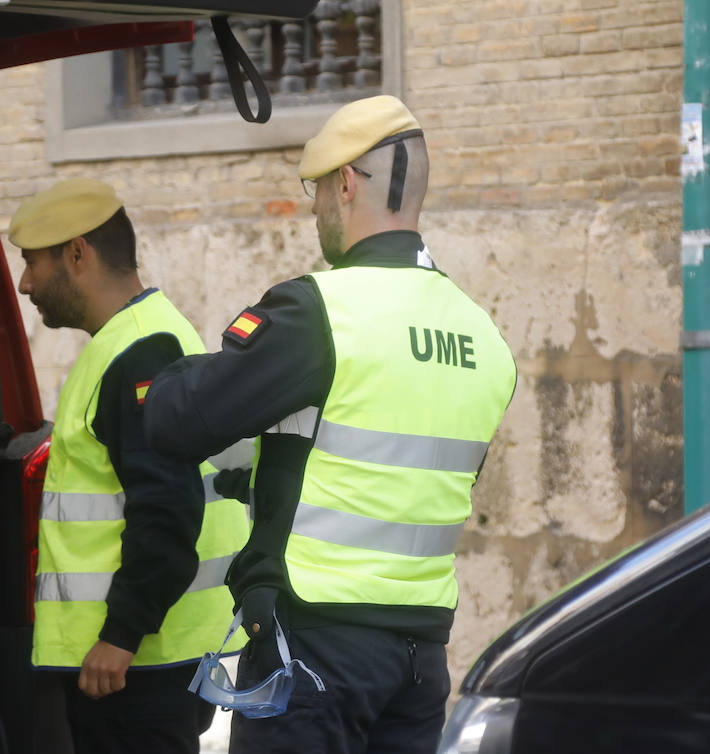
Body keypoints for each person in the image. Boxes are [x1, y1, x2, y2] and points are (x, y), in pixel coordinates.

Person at [144, 96, 518, 754]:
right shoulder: (483, 335)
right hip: (418, 662)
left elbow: (176, 422)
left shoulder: (320, 311)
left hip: (314, 653)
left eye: (317, 190)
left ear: (345, 183)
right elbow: (382, 468)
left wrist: (155, 372)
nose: (317, 209)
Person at [10, 178, 250, 754]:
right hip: (148, 658)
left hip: (134, 666)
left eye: (31, 263)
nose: (23, 284)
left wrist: (120, 635)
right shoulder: (146, 335)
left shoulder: (138, 352)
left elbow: (166, 510)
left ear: (77, 254)